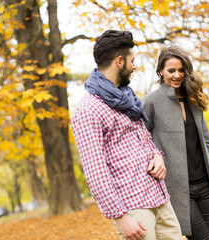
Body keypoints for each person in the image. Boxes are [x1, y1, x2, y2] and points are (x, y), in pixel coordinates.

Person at [71, 30, 183, 240]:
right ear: (119, 61)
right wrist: (120, 217)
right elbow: (95, 172)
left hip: (159, 197)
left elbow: (145, 140)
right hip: (134, 209)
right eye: (133, 61)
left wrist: (158, 156)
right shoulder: (88, 110)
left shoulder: (127, 98)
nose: (135, 66)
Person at [142, 46, 209, 240]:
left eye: (181, 70)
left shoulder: (194, 99)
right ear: (160, 71)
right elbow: (141, 140)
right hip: (178, 191)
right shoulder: (151, 101)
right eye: (171, 70)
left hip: (206, 186)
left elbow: (206, 143)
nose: (177, 75)